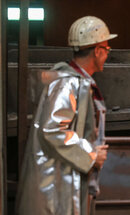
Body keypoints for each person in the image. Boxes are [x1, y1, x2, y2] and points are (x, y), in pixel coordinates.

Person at [16, 16, 116, 215]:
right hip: (53, 181)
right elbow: (52, 130)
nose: (107, 54)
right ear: (97, 51)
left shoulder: (75, 81)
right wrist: (91, 155)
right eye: (107, 49)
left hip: (63, 177)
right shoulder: (66, 83)